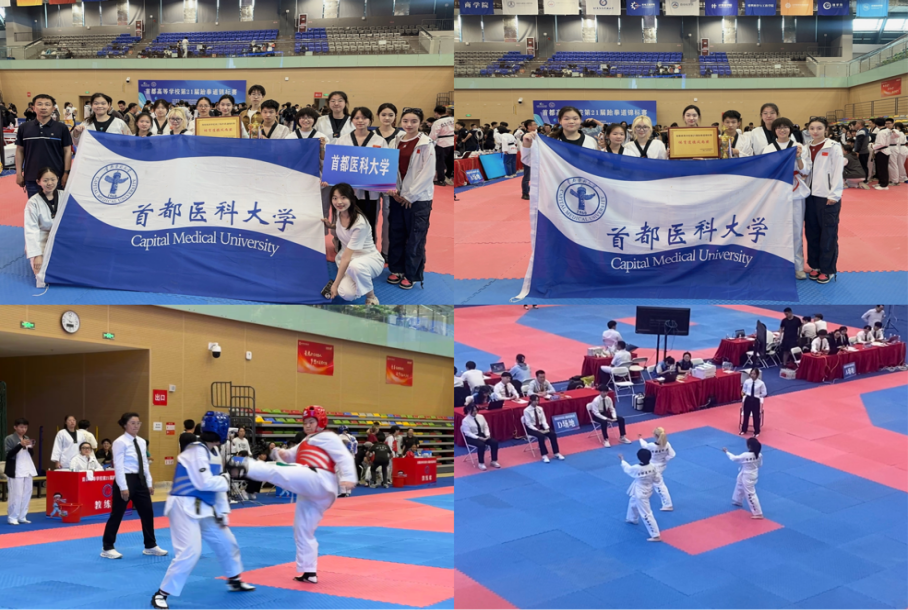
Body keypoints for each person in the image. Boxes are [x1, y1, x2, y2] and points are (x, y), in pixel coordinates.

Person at [228, 405, 355, 583]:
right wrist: (277, 452)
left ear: (321, 422)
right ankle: (309, 571)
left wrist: (349, 477)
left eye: (311, 422)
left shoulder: (328, 437)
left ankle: (245, 466)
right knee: (302, 529)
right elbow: (288, 456)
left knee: (278, 470)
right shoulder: (305, 442)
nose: (308, 425)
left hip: (319, 478)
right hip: (313, 490)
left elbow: (343, 456)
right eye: (305, 422)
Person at [152, 412, 254, 610]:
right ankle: (161, 593)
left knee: (227, 541)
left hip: (205, 507)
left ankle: (234, 579)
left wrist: (222, 512)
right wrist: (227, 479)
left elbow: (217, 488)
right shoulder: (196, 450)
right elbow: (204, 482)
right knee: (190, 551)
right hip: (183, 505)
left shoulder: (214, 451)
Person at [101, 412, 168, 559]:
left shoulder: (142, 442)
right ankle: (107, 547)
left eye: (138, 423)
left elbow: (144, 463)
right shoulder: (120, 442)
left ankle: (150, 545)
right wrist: (123, 486)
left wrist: (148, 482)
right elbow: (118, 465)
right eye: (132, 423)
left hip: (140, 479)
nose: (136, 426)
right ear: (125, 425)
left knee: (147, 512)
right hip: (126, 478)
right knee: (117, 513)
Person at [386, 107, 434, 291]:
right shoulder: (396, 141)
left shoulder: (426, 143)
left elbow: (427, 173)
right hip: (397, 196)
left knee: (415, 237)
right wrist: (391, 189)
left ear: (420, 123)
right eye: (405, 121)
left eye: (414, 121)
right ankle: (397, 269)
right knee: (396, 233)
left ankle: (411, 274)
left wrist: (410, 195)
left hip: (418, 199)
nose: (409, 124)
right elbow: (390, 166)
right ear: (400, 122)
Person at [761, 117, 810, 280]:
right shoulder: (768, 148)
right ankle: (776, 264)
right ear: (774, 130)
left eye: (785, 127)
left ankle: (798, 266)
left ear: (790, 129)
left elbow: (805, 171)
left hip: (795, 191)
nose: (782, 130)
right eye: (778, 128)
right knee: (775, 228)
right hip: (776, 191)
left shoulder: (799, 146)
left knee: (796, 229)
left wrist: (798, 157)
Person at [321, 183, 383, 304]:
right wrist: (331, 225)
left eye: (343, 197)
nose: (339, 202)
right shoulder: (340, 212)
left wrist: (335, 284)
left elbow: (346, 257)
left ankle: (371, 297)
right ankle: (358, 277)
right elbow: (344, 229)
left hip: (368, 259)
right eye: (335, 198)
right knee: (346, 294)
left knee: (356, 267)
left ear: (351, 198)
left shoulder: (359, 223)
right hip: (350, 260)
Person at [803, 117, 842, 284]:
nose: (815, 131)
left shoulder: (833, 146)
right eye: (812, 128)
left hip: (827, 196)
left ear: (826, 129)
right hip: (808, 196)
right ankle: (815, 265)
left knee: (828, 234)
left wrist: (834, 195)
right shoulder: (805, 147)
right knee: (811, 232)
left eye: (819, 128)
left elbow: (838, 171)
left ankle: (828, 269)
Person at [15, 94, 73, 198]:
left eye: (47, 104)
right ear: (33, 107)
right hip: (32, 177)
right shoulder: (24, 127)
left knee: (58, 207)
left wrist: (66, 173)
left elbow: (67, 151)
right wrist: (19, 174)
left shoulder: (62, 128)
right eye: (39, 104)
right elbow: (19, 151)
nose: (43, 107)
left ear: (53, 108)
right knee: (35, 207)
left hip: (56, 177)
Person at [23, 166, 61, 277]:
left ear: (58, 179)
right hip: (41, 237)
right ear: (38, 182)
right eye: (45, 180)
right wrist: (37, 255)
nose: (50, 183)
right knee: (42, 275)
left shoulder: (65, 196)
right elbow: (31, 229)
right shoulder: (33, 202)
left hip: (60, 236)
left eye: (53, 179)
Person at [619, 449, 661, 542]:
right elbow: (657, 479)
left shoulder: (637, 468)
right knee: (633, 501)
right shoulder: (653, 466)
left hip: (641, 493)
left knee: (646, 514)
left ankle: (655, 534)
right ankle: (632, 518)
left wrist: (622, 460)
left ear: (639, 458)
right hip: (648, 489)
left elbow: (627, 469)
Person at [4, 418, 37, 525]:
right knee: (16, 494)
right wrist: (20, 445)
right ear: (15, 427)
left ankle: (22, 516)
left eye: (25, 427)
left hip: (27, 467)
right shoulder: (9, 438)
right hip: (15, 469)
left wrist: (30, 447)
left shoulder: (26, 438)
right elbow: (8, 454)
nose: (23, 429)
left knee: (27, 492)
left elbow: (31, 454)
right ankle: (12, 517)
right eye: (21, 427)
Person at [723, 437, 763, 519]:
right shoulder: (759, 455)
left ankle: (758, 513)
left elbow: (734, 458)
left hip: (748, 476)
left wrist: (727, 452)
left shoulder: (746, 455)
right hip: (751, 474)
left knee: (750, 493)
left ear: (749, 446)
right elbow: (760, 465)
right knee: (740, 483)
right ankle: (738, 500)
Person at [638, 428, 674, 511]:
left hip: (653, 467)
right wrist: (664, 459)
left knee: (659, 485)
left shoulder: (652, 445)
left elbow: (644, 446)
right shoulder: (666, 444)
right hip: (661, 466)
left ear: (655, 435)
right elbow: (672, 455)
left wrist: (640, 438)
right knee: (646, 479)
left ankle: (668, 504)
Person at [522, 394, 564, 463]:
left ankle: (556, 452)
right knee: (541, 436)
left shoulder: (540, 408)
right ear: (531, 401)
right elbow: (528, 424)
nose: (537, 402)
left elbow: (543, 420)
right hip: (532, 428)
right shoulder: (526, 410)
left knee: (553, 434)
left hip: (541, 426)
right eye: (535, 401)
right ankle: (544, 455)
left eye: (538, 400)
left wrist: (547, 428)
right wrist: (537, 430)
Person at [461, 404, 500, 470]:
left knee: (494, 442)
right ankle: (481, 463)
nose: (475, 412)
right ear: (468, 410)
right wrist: (478, 437)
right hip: (472, 437)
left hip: (482, 435)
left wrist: (487, 435)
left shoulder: (481, 416)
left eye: (476, 410)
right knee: (481, 445)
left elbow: (485, 426)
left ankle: (494, 461)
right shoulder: (465, 420)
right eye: (473, 411)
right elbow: (467, 433)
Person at [429, 105, 455, 186]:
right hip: (452, 142)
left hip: (442, 143)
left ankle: (441, 180)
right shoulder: (453, 119)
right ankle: (448, 176)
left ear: (436, 113)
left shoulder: (438, 122)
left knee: (440, 162)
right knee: (450, 161)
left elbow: (433, 136)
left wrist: (429, 142)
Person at [741, 368, 766, 437]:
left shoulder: (761, 383)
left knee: (756, 416)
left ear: (757, 375)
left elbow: (764, 393)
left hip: (755, 400)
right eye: (751, 373)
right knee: (746, 415)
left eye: (754, 374)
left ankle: (756, 431)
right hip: (748, 399)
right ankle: (744, 429)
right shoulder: (747, 381)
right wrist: (744, 395)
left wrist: (758, 396)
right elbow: (744, 390)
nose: (752, 375)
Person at [870, 117, 891, 191]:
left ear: (876, 124)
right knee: (880, 168)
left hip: (882, 151)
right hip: (883, 150)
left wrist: (873, 146)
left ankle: (884, 185)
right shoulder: (887, 130)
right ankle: (881, 182)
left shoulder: (882, 132)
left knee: (882, 169)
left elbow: (882, 143)